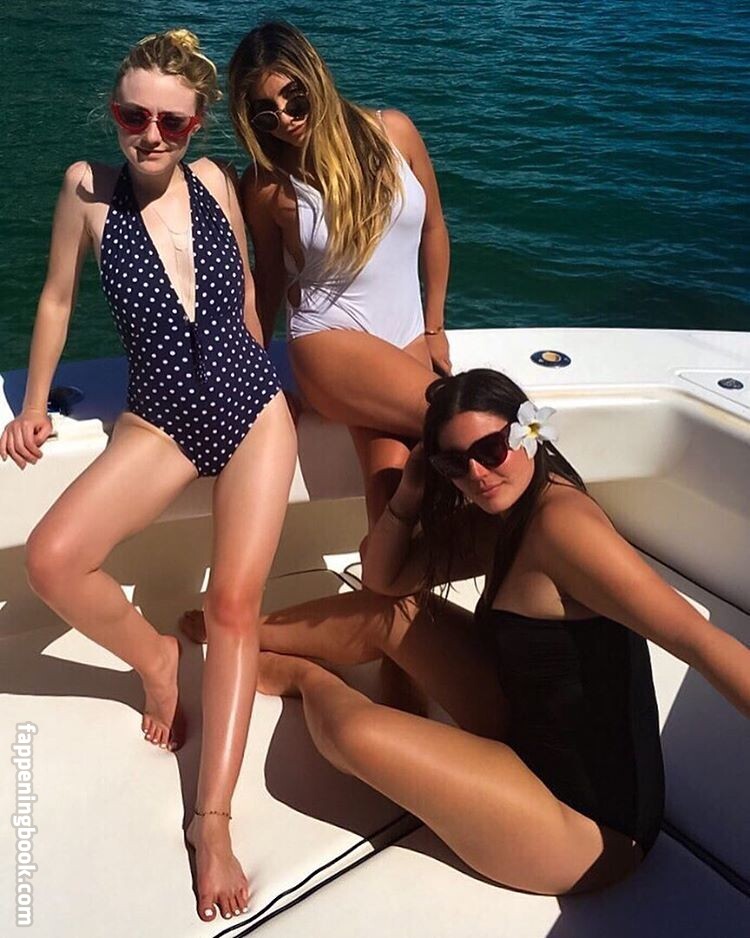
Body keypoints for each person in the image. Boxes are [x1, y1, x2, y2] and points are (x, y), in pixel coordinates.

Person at [238, 368, 750, 894]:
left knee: (354, 734)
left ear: (530, 431)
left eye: (491, 449)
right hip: (521, 720)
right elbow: (385, 581)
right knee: (392, 613)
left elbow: (700, 641)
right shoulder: (505, 512)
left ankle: (302, 679)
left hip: (586, 824)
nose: (477, 473)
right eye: (454, 462)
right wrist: (410, 492)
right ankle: (240, 635)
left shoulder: (565, 528)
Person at [0, 30, 296, 922]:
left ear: (196, 125)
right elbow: (57, 297)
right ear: (115, 113)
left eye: (171, 121)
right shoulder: (86, 192)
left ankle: (212, 820)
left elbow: (249, 293)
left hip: (251, 407)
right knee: (53, 558)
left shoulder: (215, 183)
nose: (151, 134)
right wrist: (34, 403)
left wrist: (264, 367)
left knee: (235, 606)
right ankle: (160, 662)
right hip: (160, 419)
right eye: (135, 116)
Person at [228, 20, 451, 532]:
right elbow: (265, 284)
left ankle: (379, 572)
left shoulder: (394, 131)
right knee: (468, 419)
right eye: (266, 113)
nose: (286, 120)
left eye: (295, 99)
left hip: (407, 339)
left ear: (316, 76)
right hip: (330, 343)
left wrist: (435, 325)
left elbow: (435, 228)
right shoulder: (266, 185)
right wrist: (254, 377)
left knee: (396, 499)